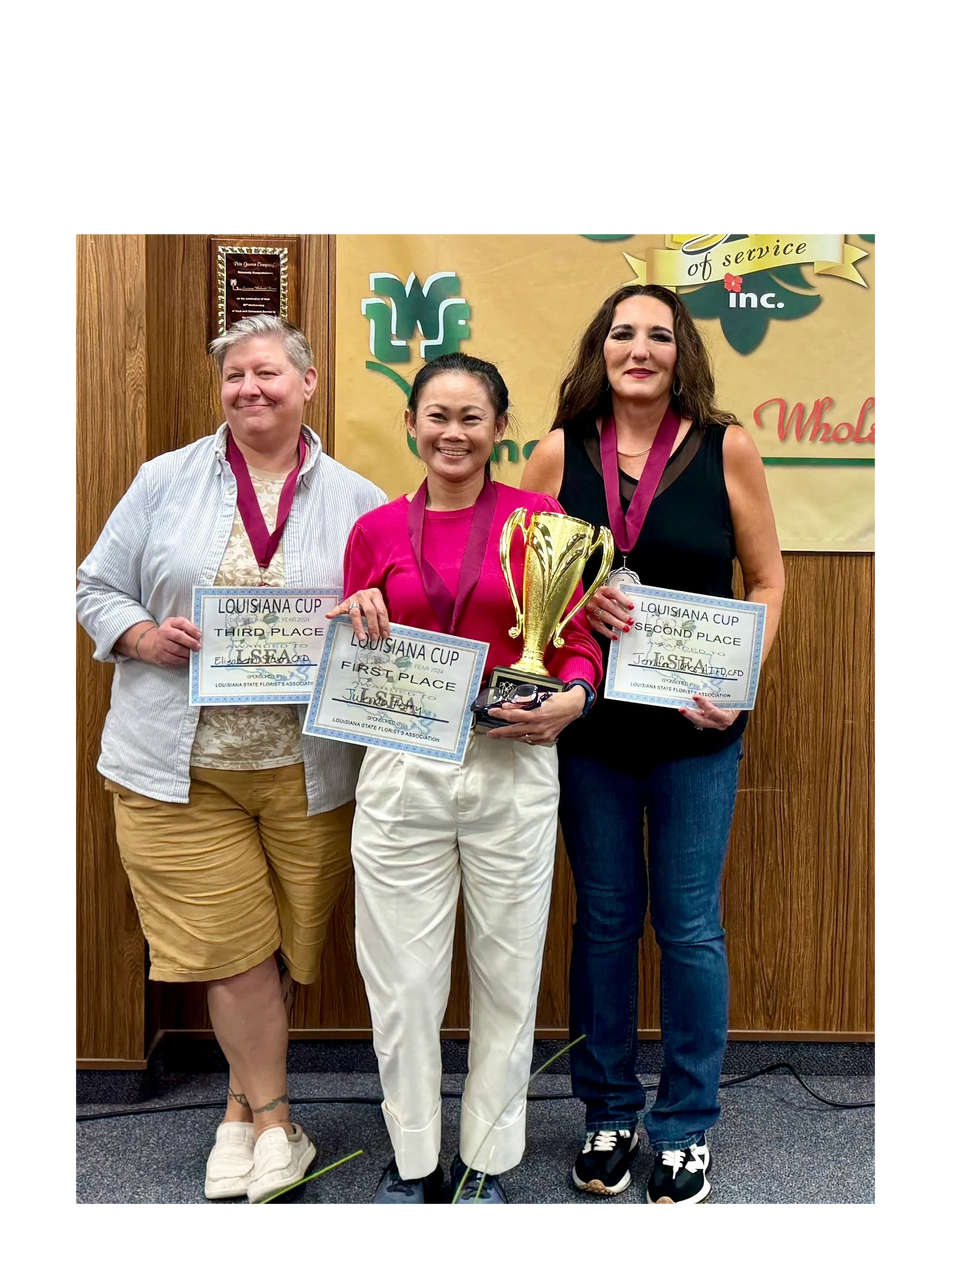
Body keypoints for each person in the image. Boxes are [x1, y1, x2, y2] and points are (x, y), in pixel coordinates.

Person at [73, 315, 386, 1206]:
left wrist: (368, 612)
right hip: (175, 764)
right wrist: (137, 632)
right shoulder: (162, 481)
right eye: (235, 377)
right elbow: (95, 585)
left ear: (308, 383)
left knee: (282, 942)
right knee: (229, 947)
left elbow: (388, 610)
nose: (251, 388)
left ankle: (240, 1108)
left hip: (309, 766)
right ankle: (275, 1120)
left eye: (268, 374)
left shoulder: (361, 499)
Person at [522, 283, 785, 1207]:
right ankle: (605, 1110)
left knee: (688, 928)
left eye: (658, 336)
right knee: (600, 925)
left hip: (695, 732)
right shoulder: (557, 449)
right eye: (623, 333)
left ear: (683, 354)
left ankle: (682, 1126)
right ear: (600, 348)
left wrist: (740, 684)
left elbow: (766, 575)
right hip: (588, 729)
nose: (640, 349)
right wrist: (570, 603)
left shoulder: (727, 447)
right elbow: (523, 588)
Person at [328, 352, 604, 1207]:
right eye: (436, 415)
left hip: (512, 762)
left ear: (498, 429)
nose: (453, 432)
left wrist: (577, 695)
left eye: (471, 417)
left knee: (508, 970)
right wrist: (355, 613)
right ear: (411, 424)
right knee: (404, 983)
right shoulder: (374, 530)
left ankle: (487, 1158)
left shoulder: (541, 519)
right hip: (402, 769)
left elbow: (577, 639)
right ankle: (412, 1160)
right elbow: (349, 649)